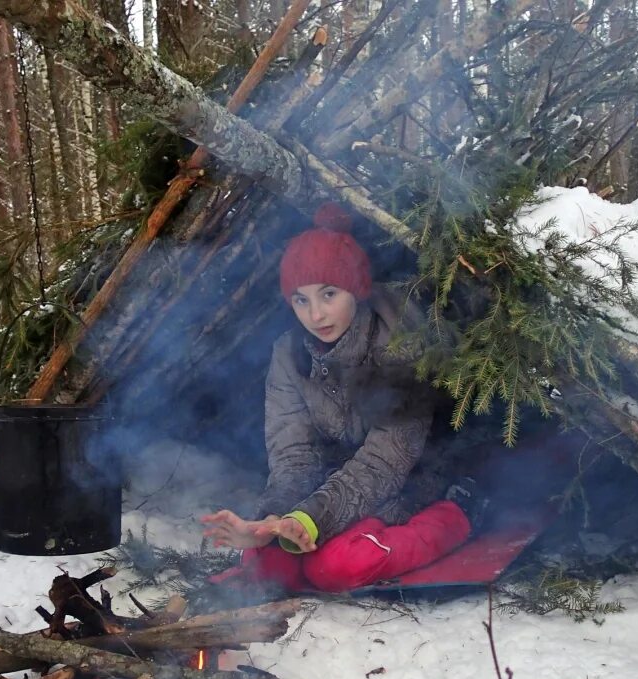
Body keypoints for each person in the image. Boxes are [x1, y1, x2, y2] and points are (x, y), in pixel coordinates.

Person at [200, 203, 477, 593]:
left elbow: (386, 462)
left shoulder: (400, 346)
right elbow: (293, 453)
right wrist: (272, 521)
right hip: (339, 482)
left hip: (416, 477)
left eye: (328, 294)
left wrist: (310, 519)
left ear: (356, 289)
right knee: (266, 563)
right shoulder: (288, 354)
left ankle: (460, 511)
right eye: (301, 300)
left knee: (338, 566)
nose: (316, 315)